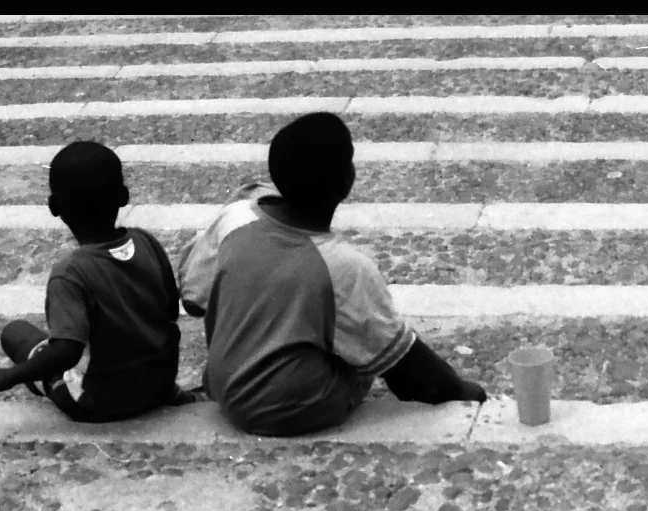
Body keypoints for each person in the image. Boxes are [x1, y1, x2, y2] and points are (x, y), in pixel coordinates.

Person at [179, 112, 486, 437]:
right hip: (284, 409)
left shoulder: (235, 217)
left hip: (223, 386)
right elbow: (405, 366)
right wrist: (462, 390)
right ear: (345, 182)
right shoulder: (344, 267)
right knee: (361, 344)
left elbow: (194, 300)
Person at [0, 140, 193, 419]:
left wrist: (9, 376)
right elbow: (170, 309)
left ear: (54, 206)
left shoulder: (70, 274)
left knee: (15, 334)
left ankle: (55, 386)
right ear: (123, 196)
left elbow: (67, 353)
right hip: (159, 383)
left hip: (101, 402)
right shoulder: (147, 242)